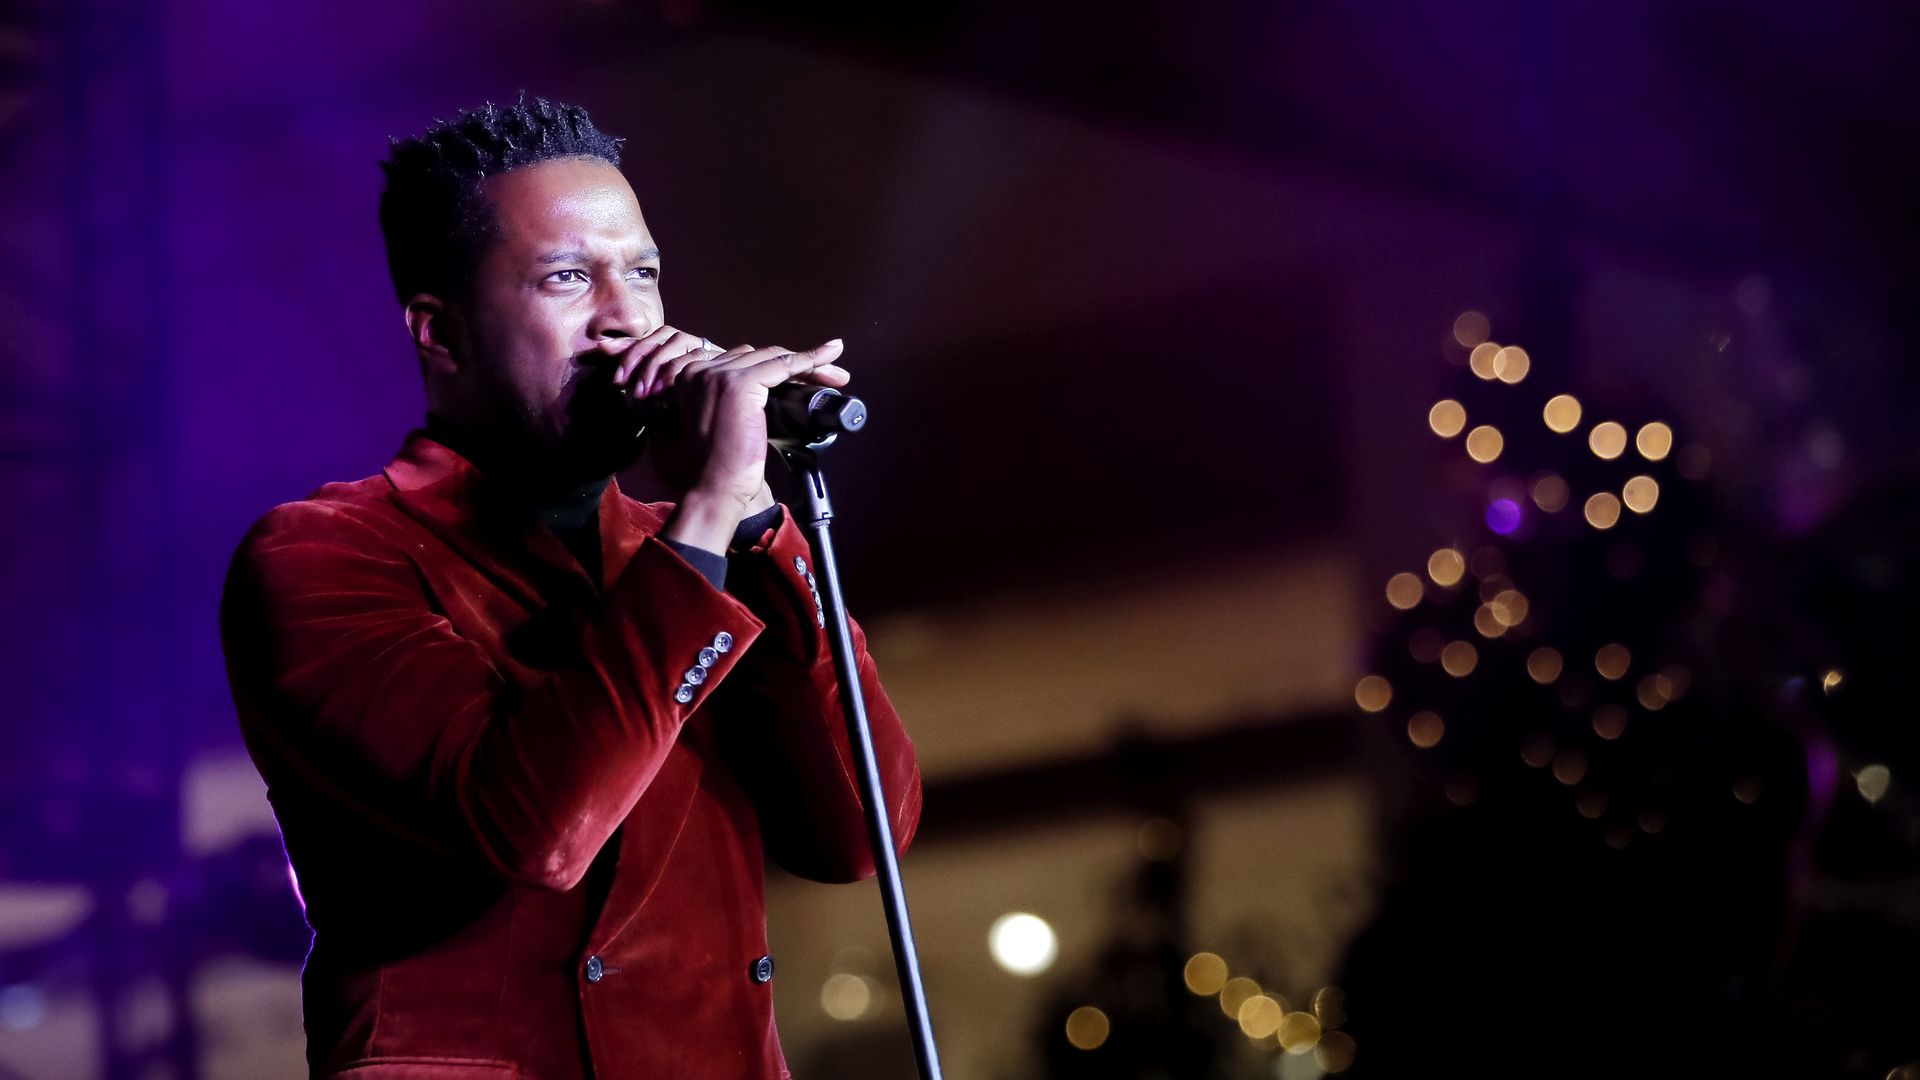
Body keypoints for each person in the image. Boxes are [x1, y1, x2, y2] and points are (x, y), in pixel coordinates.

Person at [219, 96, 922, 1080]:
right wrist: (712, 514)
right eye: (565, 278)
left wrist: (761, 522)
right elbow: (537, 829)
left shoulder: (698, 550)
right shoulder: (322, 557)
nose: (628, 317)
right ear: (441, 333)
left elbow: (860, 834)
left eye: (642, 273)